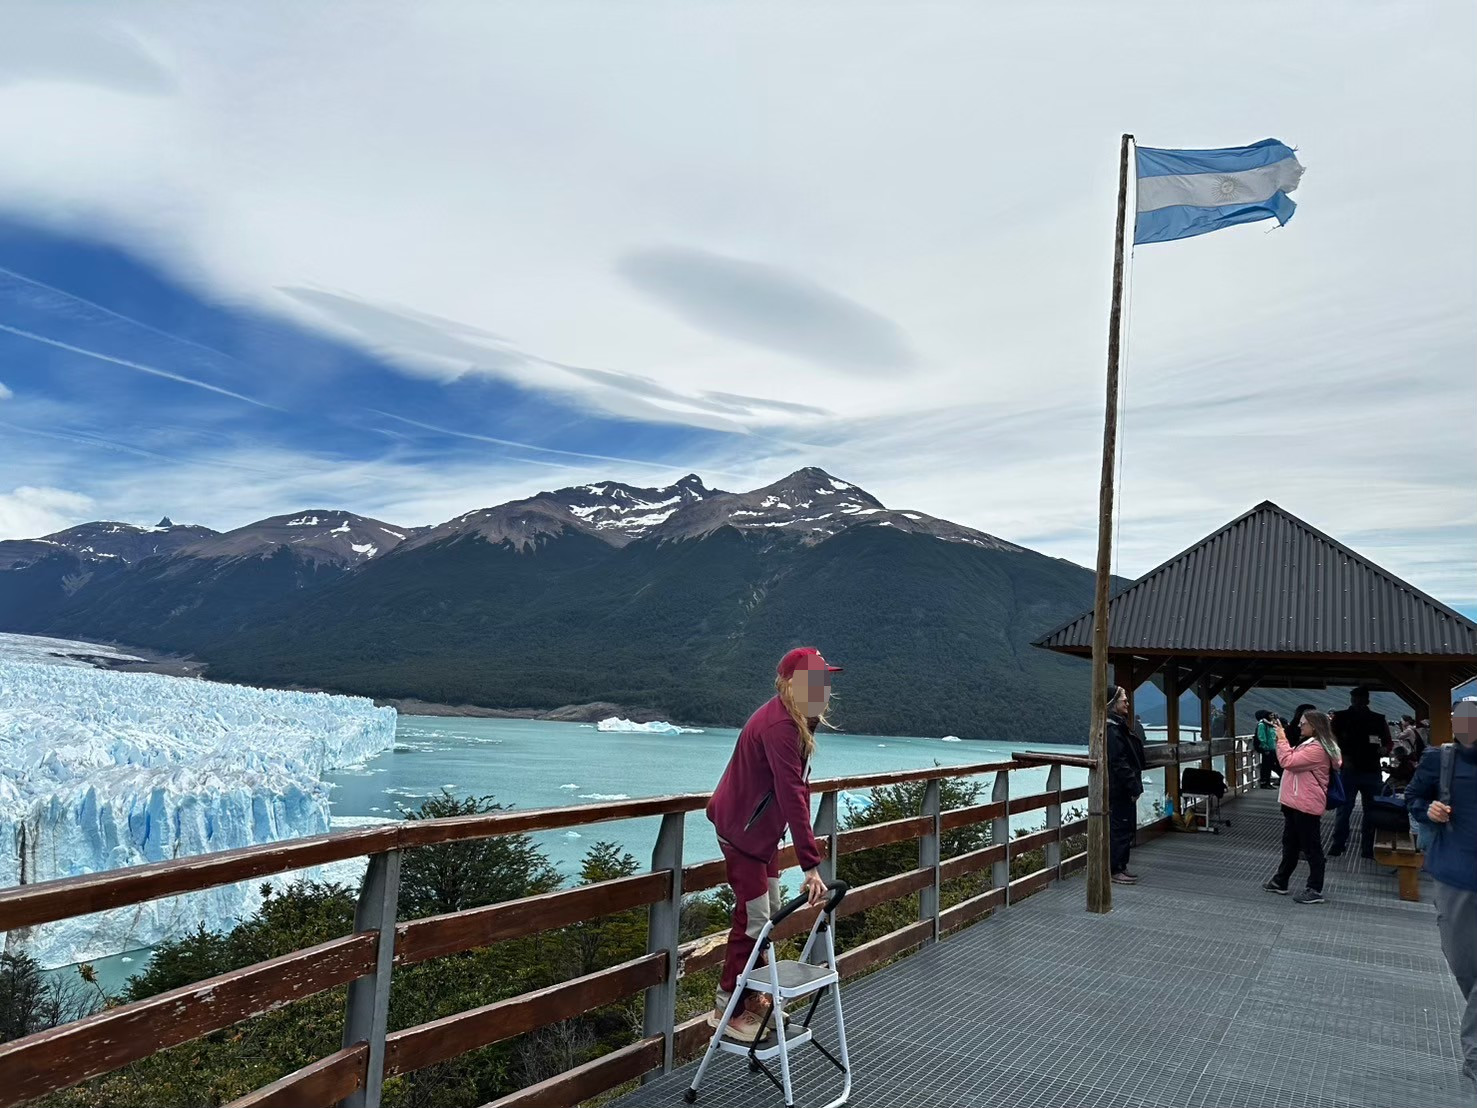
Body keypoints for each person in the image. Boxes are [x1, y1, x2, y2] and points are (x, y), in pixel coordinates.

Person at [705, 647, 837, 1041]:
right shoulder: (781, 726)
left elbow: (797, 789)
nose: (822, 688)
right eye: (813, 681)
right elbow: (792, 791)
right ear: (789, 684)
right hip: (743, 833)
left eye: (825, 680)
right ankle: (727, 1005)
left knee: (770, 911)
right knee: (755, 918)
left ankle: (754, 995)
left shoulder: (796, 719)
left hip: (760, 834)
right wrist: (810, 863)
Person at [1407, 698, 1477, 1087]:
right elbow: (1413, 798)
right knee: (1465, 966)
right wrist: (1427, 810)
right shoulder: (1441, 760)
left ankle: (1474, 1055)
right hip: (1457, 877)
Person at [1263, 710, 1342, 904]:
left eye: (1304, 723)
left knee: (1311, 846)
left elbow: (1287, 762)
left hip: (1305, 803)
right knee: (1290, 843)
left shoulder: (1318, 749)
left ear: (1314, 726)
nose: (1300, 725)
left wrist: (1281, 739)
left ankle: (1315, 888)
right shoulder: (1313, 744)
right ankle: (1280, 881)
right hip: (1296, 801)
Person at [1329, 686, 1393, 859]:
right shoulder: (1378, 719)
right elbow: (1388, 742)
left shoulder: (1340, 717)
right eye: (1356, 698)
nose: (1357, 701)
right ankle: (1358, 846)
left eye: (1359, 698)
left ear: (1365, 700)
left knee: (1348, 808)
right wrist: (1385, 749)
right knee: (1360, 809)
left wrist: (1385, 749)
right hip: (1365, 769)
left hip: (1357, 769)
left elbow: (1388, 742)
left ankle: (1344, 844)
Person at [1106, 685, 1146, 885]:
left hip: (1124, 786)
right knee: (1120, 826)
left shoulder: (1118, 726)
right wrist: (1133, 785)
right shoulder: (1113, 729)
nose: (1127, 703)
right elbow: (1119, 762)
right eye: (1124, 700)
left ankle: (1121, 866)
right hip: (1120, 788)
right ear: (1114, 704)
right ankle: (1115, 869)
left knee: (1125, 826)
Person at [1255, 709, 1281, 788]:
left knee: (1269, 766)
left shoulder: (1268, 724)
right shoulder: (1262, 725)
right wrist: (1265, 747)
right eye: (1270, 715)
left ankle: (1267, 782)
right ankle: (1265, 783)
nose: (1272, 717)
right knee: (1266, 766)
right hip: (1267, 749)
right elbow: (1261, 736)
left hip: (1272, 748)